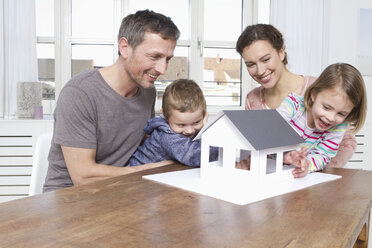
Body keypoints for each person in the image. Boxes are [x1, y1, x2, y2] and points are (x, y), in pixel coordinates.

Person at [43, 10, 180, 192]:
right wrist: (147, 170)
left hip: (118, 191)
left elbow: (147, 143)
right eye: (154, 57)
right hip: (70, 198)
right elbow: (83, 177)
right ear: (125, 47)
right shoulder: (80, 93)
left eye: (167, 59)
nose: (163, 69)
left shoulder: (148, 91)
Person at [235, 23, 357, 170]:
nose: (260, 71)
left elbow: (346, 143)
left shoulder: (317, 89)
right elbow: (257, 146)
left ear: (281, 52)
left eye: (266, 59)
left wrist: (308, 168)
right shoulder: (252, 99)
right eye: (250, 64)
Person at [278, 63, 367, 177]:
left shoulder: (338, 127)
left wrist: (307, 165)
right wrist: (285, 156)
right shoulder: (292, 105)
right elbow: (270, 135)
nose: (330, 118)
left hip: (294, 178)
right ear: (313, 94)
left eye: (341, 113)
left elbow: (323, 155)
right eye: (326, 107)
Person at [128, 79, 218, 167]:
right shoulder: (166, 136)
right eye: (181, 125)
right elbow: (195, 156)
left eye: (196, 122)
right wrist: (209, 133)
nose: (189, 131)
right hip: (134, 177)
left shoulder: (181, 128)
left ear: (204, 114)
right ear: (166, 116)